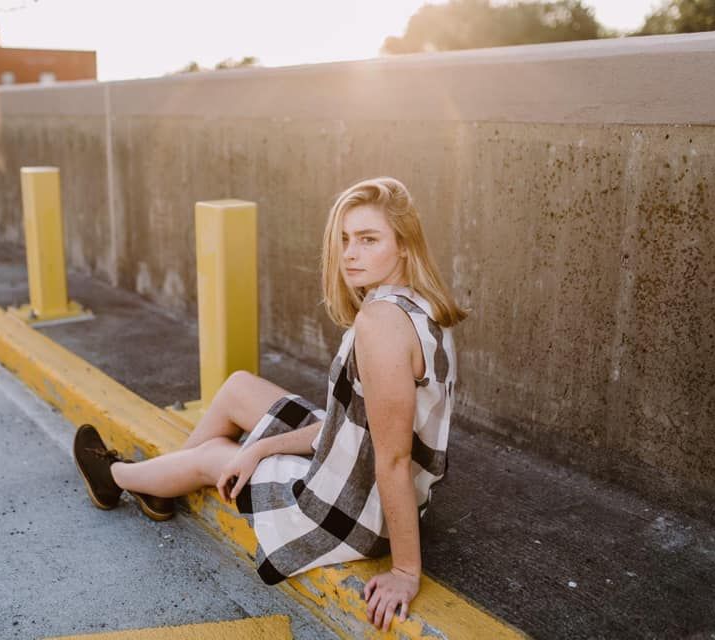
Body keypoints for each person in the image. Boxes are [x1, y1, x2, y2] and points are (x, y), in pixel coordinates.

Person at [72, 176, 467, 632]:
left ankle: (117, 477)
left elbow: (394, 458)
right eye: (343, 239)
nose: (350, 253)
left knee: (214, 458)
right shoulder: (419, 304)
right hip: (359, 470)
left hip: (353, 509)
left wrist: (404, 571)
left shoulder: (380, 323)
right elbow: (353, 426)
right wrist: (261, 449)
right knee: (240, 388)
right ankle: (161, 484)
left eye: (368, 239)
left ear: (403, 246)